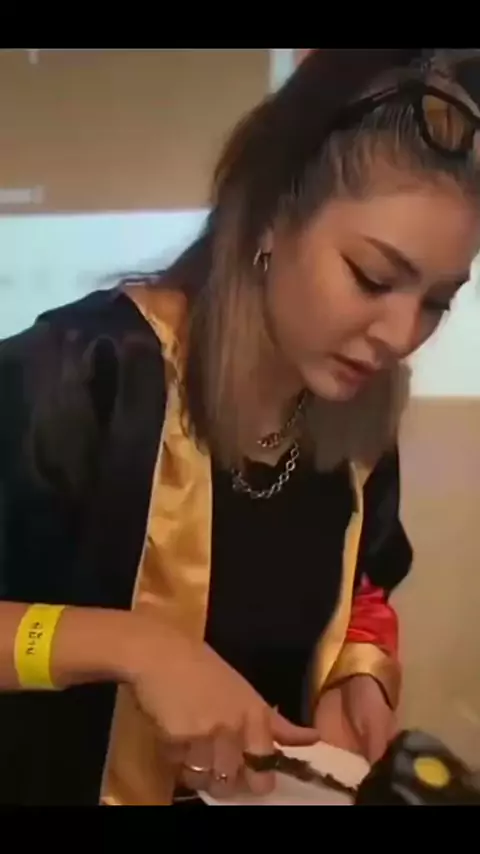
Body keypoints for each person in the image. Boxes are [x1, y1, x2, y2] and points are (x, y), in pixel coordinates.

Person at [0, 47, 479, 807]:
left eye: (436, 302)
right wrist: (134, 648)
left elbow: (366, 586)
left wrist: (357, 675)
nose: (401, 335)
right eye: (373, 278)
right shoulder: (81, 377)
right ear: (271, 213)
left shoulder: (355, 416)